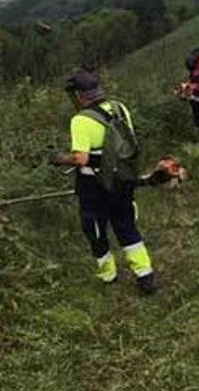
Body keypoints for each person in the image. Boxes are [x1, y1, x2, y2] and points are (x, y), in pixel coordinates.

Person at [50, 71, 157, 295]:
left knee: (95, 228)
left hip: (94, 184)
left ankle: (108, 275)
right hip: (123, 178)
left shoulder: (80, 120)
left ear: (79, 95)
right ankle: (144, 273)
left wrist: (60, 159)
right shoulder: (120, 108)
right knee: (126, 225)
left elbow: (81, 158)